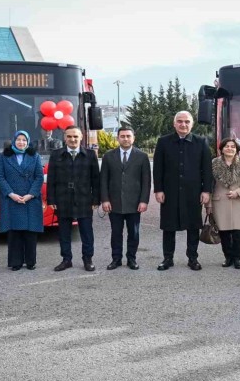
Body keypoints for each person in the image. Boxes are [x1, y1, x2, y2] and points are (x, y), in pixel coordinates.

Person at [153, 111, 213, 271]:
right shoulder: (164, 142)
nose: (183, 124)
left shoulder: (201, 142)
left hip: (193, 192)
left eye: (187, 121)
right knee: (168, 226)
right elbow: (158, 168)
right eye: (179, 121)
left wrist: (206, 191)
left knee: (193, 226)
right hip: (169, 192)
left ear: (192, 124)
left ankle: (192, 258)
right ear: (174, 124)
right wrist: (158, 189)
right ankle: (167, 258)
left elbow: (207, 169)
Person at [47, 126, 100, 272]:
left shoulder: (90, 155)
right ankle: (66, 259)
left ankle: (88, 259)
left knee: (86, 232)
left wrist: (96, 199)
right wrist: (51, 200)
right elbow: (51, 179)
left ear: (81, 137)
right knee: (64, 232)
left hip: (84, 199)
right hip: (62, 198)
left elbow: (96, 179)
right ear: (65, 138)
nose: (72, 139)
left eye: (75, 136)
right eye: (69, 136)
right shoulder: (56, 154)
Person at [100, 127, 151, 270]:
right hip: (114, 203)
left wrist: (144, 201)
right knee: (116, 233)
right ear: (117, 138)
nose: (125, 139)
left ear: (133, 138)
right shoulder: (108, 156)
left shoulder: (142, 156)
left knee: (133, 233)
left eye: (128, 136)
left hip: (135, 203)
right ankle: (116, 259)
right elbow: (103, 180)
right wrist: (105, 199)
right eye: (122, 136)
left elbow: (146, 181)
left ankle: (131, 259)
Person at [0, 130, 44, 271]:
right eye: (18, 139)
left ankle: (30, 262)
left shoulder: (34, 156)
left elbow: (39, 177)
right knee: (14, 232)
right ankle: (15, 262)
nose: (21, 142)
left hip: (30, 199)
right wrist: (11, 194)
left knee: (30, 231)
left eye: (24, 140)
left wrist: (30, 194)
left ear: (28, 142)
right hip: (11, 199)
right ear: (13, 141)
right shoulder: (4, 157)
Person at [206, 138, 240, 269]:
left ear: (237, 149)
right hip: (220, 201)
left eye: (233, 146)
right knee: (224, 232)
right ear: (221, 149)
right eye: (226, 146)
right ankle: (228, 257)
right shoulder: (214, 163)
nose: (230, 148)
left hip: (239, 201)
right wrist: (208, 204)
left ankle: (238, 258)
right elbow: (209, 185)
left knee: (238, 233)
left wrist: (238, 192)